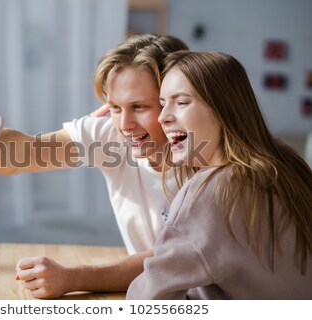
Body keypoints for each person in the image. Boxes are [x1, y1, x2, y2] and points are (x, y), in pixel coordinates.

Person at [0, 34, 189, 298]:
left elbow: (171, 259)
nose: (124, 124)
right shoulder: (111, 135)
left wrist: (73, 277)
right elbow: (30, 151)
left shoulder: (210, 159)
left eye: (139, 107)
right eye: (115, 107)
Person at [127, 51, 312, 299]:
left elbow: (148, 300)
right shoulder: (289, 164)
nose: (163, 117)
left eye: (181, 102)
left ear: (223, 109)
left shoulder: (214, 188)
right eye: (162, 104)